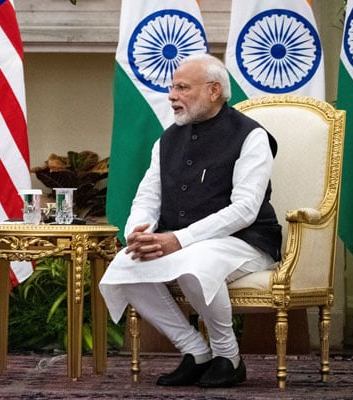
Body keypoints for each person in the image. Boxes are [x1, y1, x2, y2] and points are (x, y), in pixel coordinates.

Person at [99, 53, 282, 388]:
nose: (171, 96)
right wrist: (138, 232)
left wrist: (179, 239)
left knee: (197, 262)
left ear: (213, 91)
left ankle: (229, 357)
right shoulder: (167, 139)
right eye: (172, 88)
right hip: (186, 243)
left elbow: (245, 210)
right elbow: (147, 196)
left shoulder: (251, 136)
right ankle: (196, 352)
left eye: (182, 87)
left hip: (247, 242)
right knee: (125, 266)